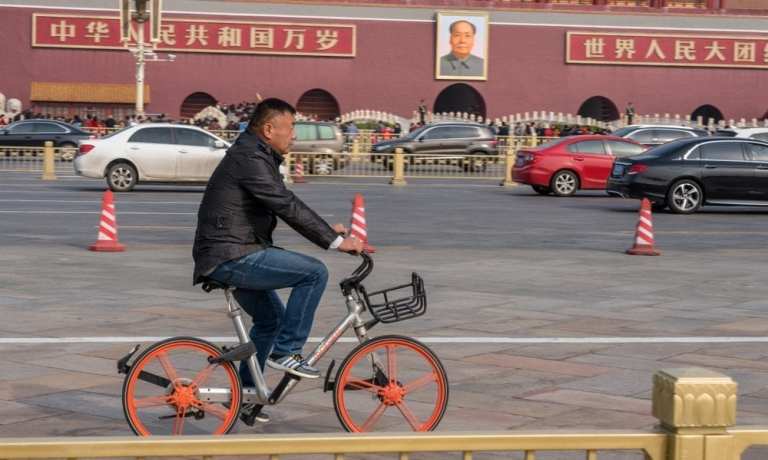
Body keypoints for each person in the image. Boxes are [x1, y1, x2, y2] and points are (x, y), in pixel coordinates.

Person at [192, 98, 363, 419]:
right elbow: (285, 203)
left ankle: (244, 396)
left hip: (232, 249)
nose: (294, 135)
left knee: (270, 320)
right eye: (291, 128)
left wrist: (327, 229)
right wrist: (334, 241)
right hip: (231, 253)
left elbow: (282, 204)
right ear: (269, 129)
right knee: (314, 273)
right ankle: (287, 352)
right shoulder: (249, 158)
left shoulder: (256, 154)